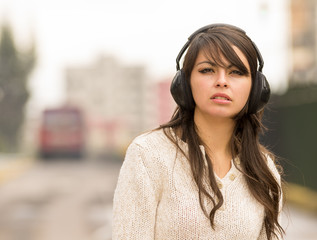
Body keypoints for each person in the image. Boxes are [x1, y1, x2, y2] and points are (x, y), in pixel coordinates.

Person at [113, 23, 284, 240]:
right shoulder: (148, 155)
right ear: (184, 83)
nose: (221, 81)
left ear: (256, 89)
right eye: (207, 70)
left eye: (236, 72)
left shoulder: (264, 171)